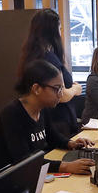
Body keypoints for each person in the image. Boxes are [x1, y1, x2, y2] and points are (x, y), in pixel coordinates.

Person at [0, 60, 95, 174]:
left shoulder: (42, 108)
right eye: (57, 88)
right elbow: (24, 160)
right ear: (37, 89)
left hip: (30, 172)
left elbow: (52, 135)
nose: (61, 94)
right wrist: (65, 166)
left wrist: (70, 143)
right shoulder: (12, 114)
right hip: (5, 177)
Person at [18, 9, 82, 138]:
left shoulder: (32, 55)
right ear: (53, 31)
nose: (61, 33)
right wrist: (75, 89)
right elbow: (61, 95)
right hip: (58, 122)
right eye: (60, 28)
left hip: (50, 121)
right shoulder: (49, 59)